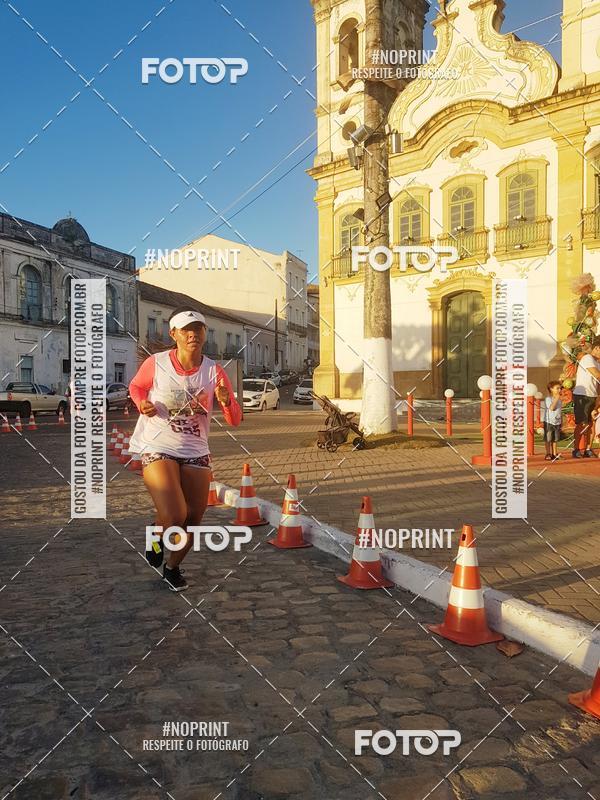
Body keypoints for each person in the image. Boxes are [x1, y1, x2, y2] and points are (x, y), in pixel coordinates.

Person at [129, 307, 242, 591]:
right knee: (176, 514)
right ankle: (156, 536)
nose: (192, 334)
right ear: (174, 334)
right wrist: (141, 403)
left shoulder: (214, 372)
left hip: (196, 450)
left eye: (198, 329)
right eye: (185, 329)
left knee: (192, 520)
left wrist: (227, 401)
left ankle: (172, 567)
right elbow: (136, 387)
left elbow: (235, 419)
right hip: (159, 446)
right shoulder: (157, 363)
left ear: (204, 333)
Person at [572, 336, 600, 458]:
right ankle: (577, 449)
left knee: (591, 424)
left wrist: (598, 398)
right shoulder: (587, 358)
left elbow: (598, 384)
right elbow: (596, 375)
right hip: (582, 395)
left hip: (592, 395)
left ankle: (588, 449)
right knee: (581, 424)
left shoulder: (598, 363)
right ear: (597, 348)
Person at [543, 381, 562, 461]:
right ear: (551, 389)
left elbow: (559, 411)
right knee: (548, 438)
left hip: (557, 422)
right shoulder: (548, 399)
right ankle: (548, 453)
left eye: (560, 388)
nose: (559, 390)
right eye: (557, 388)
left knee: (555, 439)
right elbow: (552, 408)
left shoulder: (560, 400)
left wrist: (561, 421)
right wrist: (556, 399)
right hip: (549, 421)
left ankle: (554, 453)